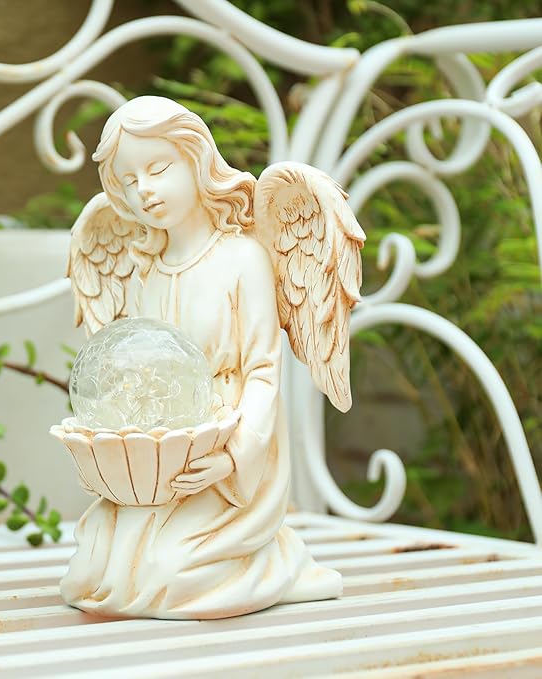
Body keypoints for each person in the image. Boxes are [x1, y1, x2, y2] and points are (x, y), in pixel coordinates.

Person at [59, 97, 342, 619]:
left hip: (229, 448)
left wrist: (231, 458)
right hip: (163, 452)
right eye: (128, 181)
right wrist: (119, 451)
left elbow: (262, 371)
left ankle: (272, 562)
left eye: (158, 169)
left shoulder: (243, 258)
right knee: (93, 564)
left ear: (196, 161)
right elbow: (136, 369)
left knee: (168, 572)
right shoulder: (145, 268)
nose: (144, 190)